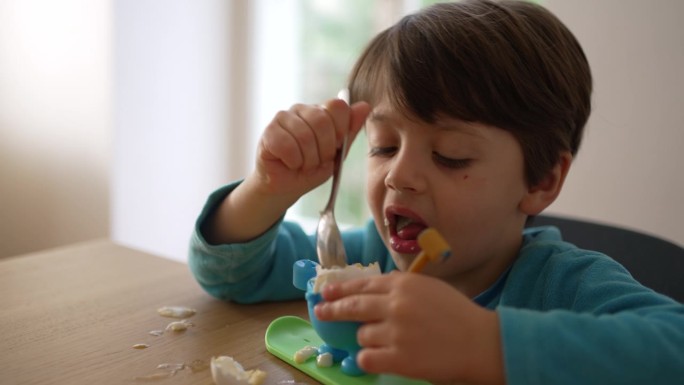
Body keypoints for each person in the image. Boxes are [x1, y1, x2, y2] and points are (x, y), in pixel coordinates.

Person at [188, 1, 684, 384]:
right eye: (383, 146)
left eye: (450, 155)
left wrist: (486, 344)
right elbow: (232, 273)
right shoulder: (369, 257)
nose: (399, 176)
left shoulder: (562, 286)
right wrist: (266, 190)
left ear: (541, 181)